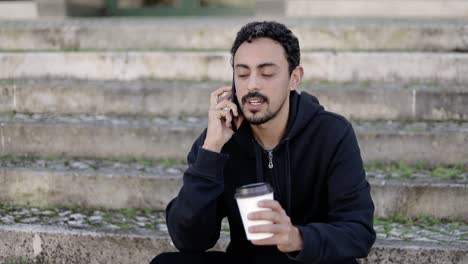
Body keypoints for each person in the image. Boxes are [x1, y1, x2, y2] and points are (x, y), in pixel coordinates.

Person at [151, 21, 376, 264]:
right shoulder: (218, 140)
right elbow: (189, 240)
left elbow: (358, 232)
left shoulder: (332, 133)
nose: (252, 84)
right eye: (242, 73)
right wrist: (211, 151)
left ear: (294, 78)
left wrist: (296, 238)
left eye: (267, 73)